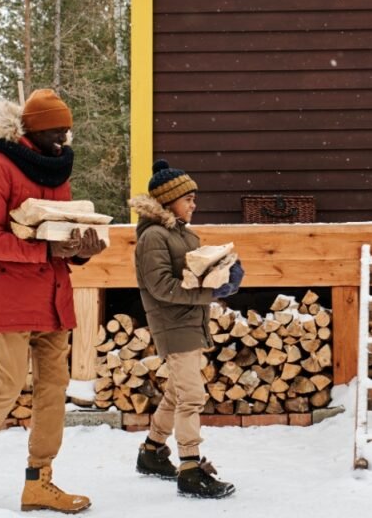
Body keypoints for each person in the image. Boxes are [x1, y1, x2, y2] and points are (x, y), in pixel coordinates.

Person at [0, 89, 106, 513]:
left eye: (67, 130)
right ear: (31, 130)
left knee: (53, 392)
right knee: (9, 384)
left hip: (53, 298)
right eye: (56, 131)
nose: (64, 139)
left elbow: (59, 236)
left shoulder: (57, 174)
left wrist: (80, 250)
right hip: (8, 297)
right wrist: (45, 251)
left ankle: (39, 481)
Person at [128, 159, 244, 499]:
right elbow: (161, 286)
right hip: (173, 324)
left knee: (178, 392)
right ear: (169, 201)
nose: (194, 205)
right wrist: (210, 292)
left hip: (190, 320)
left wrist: (224, 273)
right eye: (188, 199)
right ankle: (191, 469)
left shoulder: (183, 233)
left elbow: (194, 274)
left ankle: (152, 452)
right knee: (191, 396)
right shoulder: (154, 236)